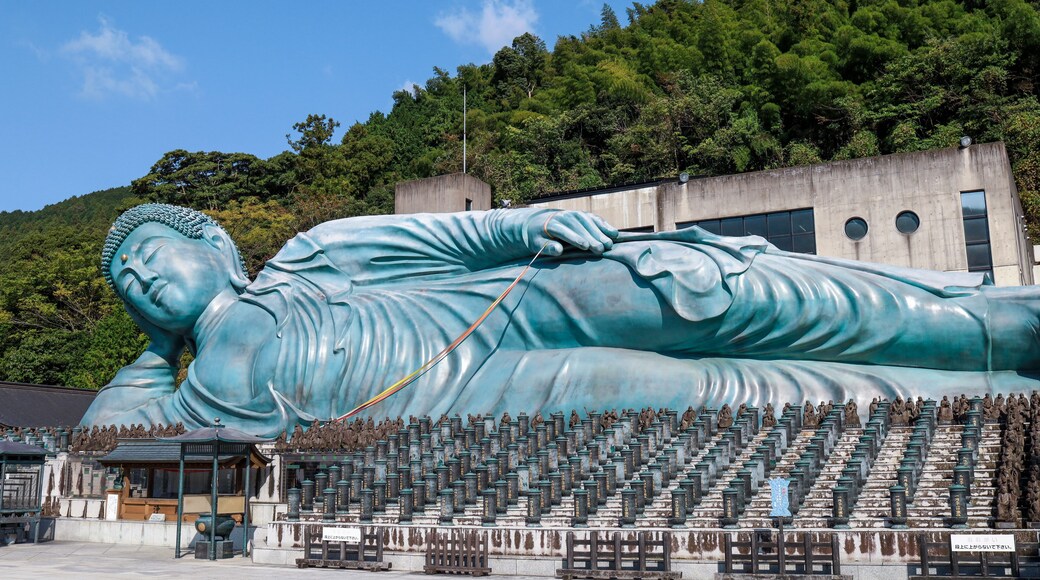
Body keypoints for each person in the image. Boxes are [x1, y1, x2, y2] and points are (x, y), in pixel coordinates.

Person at [80, 203, 1040, 436]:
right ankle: (996, 391)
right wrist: (158, 354)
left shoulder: (310, 259)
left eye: (149, 253)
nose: (139, 275)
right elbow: (99, 438)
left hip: (506, 302)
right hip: (491, 395)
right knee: (719, 395)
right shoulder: (185, 399)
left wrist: (522, 226)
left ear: (217, 243)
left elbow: (442, 237)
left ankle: (997, 326)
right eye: (124, 279)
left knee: (710, 292)